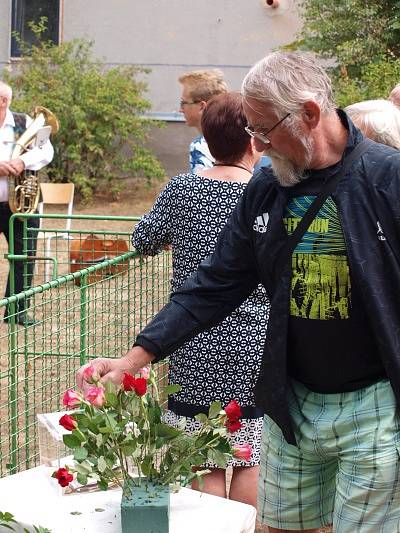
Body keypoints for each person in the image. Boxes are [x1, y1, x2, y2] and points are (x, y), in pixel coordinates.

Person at [78, 51, 400, 532]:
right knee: (278, 527)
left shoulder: (387, 178)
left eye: (264, 130)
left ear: (309, 114)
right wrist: (134, 360)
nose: (258, 145)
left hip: (374, 402)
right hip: (290, 400)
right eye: (251, 131)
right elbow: (213, 284)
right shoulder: (267, 187)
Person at [131, 92, 269, 507]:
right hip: (254, 340)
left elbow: (142, 240)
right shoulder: (268, 191)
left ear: (207, 139)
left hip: (191, 334)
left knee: (201, 456)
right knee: (247, 457)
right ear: (253, 141)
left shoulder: (183, 188)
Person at [0, 80, 54, 325]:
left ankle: (16, 311)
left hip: (22, 203)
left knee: (25, 256)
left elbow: (46, 151)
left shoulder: (27, 123)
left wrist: (22, 161)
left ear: (4, 101)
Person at [178, 69, 228, 172]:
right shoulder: (241, 138)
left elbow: (203, 187)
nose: (180, 109)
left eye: (184, 103)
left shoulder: (200, 147)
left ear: (201, 106)